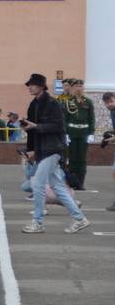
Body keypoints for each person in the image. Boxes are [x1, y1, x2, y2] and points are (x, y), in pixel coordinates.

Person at [19, 72, 90, 234]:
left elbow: (58, 127)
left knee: (37, 185)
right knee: (58, 187)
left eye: (32, 84)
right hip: (42, 150)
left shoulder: (52, 104)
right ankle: (80, 219)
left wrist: (36, 127)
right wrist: (31, 149)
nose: (29, 87)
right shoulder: (33, 104)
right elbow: (32, 131)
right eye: (29, 84)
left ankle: (37, 223)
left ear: (41, 86)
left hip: (53, 149)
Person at [62, 77, 95, 190]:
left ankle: (80, 183)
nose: (79, 88)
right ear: (72, 87)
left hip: (84, 133)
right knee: (72, 159)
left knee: (82, 159)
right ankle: (72, 182)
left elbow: (91, 119)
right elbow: (65, 119)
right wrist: (65, 134)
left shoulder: (88, 102)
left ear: (83, 87)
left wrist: (91, 133)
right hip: (72, 132)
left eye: (81, 86)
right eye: (76, 86)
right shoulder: (68, 102)